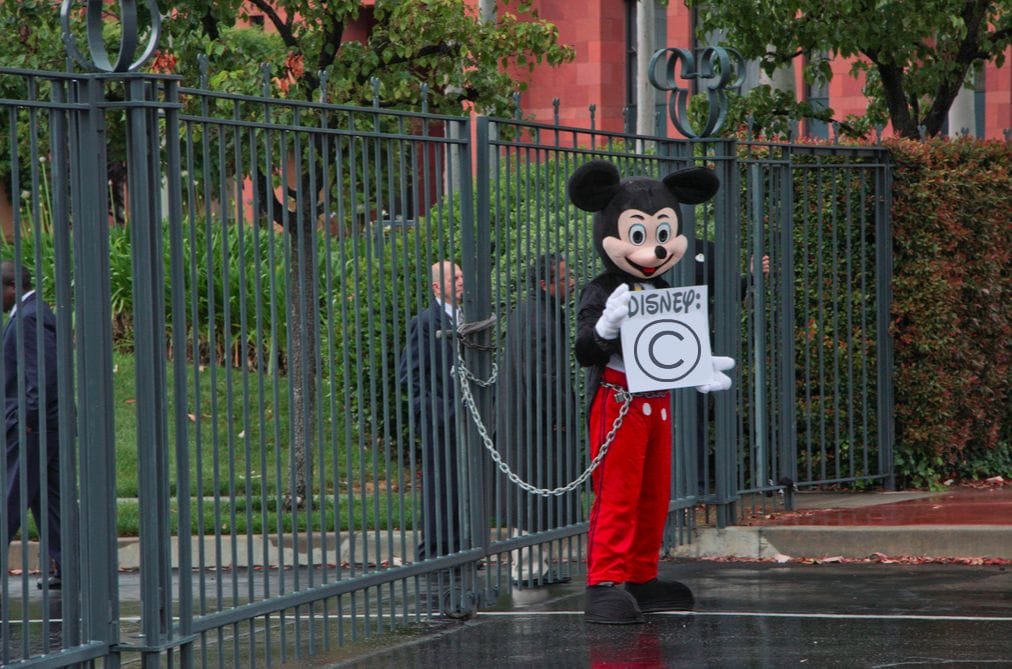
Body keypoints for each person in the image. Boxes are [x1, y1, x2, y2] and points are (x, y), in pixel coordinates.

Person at [568, 160, 732, 624]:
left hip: (655, 402)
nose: (654, 249)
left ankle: (641, 575)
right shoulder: (602, 290)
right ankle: (604, 581)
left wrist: (697, 366)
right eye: (640, 236)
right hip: (618, 400)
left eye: (663, 234)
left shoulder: (659, 285)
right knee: (617, 495)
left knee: (653, 495)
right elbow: (585, 349)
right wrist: (605, 325)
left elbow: (667, 346)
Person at [498, 253, 577, 587]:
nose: (572, 281)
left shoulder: (536, 312)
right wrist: (558, 415)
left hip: (530, 420)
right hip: (531, 424)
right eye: (565, 278)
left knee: (537, 495)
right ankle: (528, 569)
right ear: (545, 284)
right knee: (530, 498)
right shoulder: (538, 319)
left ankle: (538, 566)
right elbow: (543, 377)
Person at [398, 261, 466, 615]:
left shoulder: (465, 317)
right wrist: (438, 409)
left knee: (460, 482)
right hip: (441, 418)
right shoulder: (425, 323)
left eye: (460, 275)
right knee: (440, 483)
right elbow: (410, 375)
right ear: (437, 287)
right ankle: (436, 550)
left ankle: (459, 545)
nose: (461, 281)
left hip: (466, 416)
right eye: (454, 278)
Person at [2, 261, 62, 590]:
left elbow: (42, 375)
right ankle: (70, 565)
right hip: (42, 426)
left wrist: (27, 420)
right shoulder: (29, 314)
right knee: (49, 499)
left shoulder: (28, 318)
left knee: (10, 497)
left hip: (33, 428)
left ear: (10, 287)